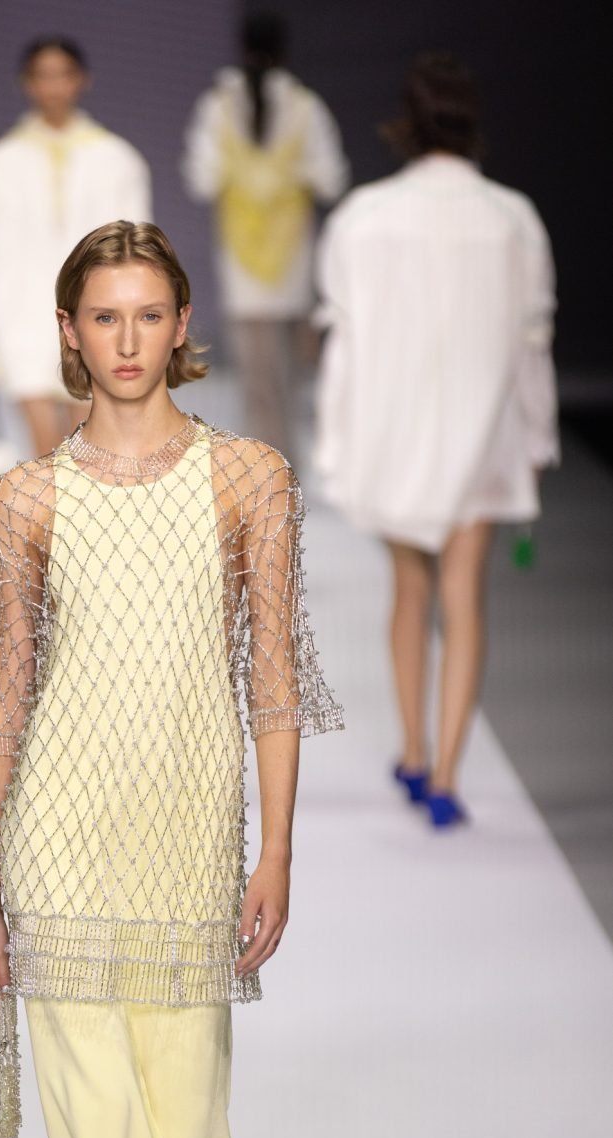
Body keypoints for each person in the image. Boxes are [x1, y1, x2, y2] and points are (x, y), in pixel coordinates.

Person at [0, 220, 344, 1138]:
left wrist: (277, 847)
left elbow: (273, 680)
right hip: (57, 839)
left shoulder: (249, 480)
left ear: (183, 326)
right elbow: (7, 700)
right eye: (102, 317)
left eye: (147, 315)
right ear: (70, 333)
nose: (126, 341)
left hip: (187, 839)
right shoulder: (26, 500)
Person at [312, 52, 559, 828]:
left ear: (404, 125)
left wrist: (335, 444)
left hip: (393, 434)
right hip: (484, 435)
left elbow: (342, 346)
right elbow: (532, 344)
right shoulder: (512, 218)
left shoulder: (362, 216)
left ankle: (414, 753)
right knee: (463, 595)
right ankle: (446, 774)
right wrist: (537, 440)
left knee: (408, 590)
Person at [0, 38, 152, 460]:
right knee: (45, 451)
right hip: (20, 313)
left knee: (88, 449)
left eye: (63, 75)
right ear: (27, 83)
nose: (54, 87)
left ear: (82, 80)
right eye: (43, 76)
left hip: (95, 314)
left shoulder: (117, 158)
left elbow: (137, 247)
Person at [180, 12, 348, 465]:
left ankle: (268, 476)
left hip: (244, 267)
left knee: (259, 384)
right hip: (293, 265)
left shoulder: (218, 107)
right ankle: (283, 474)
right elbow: (332, 178)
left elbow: (201, 178)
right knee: (288, 383)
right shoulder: (305, 107)